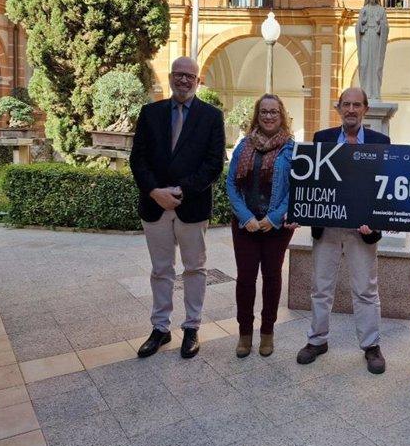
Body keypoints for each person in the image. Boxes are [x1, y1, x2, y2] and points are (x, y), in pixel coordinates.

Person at [129, 57, 225, 359]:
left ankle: (192, 327)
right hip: (155, 204)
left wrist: (181, 190)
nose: (184, 80)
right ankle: (160, 328)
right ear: (171, 78)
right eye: (179, 75)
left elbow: (213, 164)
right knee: (161, 270)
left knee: (195, 269)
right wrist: (156, 191)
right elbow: (138, 159)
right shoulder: (150, 113)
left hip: (191, 205)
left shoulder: (211, 117)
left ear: (198, 81)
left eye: (190, 76)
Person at [296, 87, 390, 374]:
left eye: (356, 105)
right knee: (321, 288)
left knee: (365, 289)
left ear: (365, 109)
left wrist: (374, 219)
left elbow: (384, 185)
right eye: (346, 104)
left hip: (361, 229)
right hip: (328, 226)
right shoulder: (322, 139)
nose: (351, 109)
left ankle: (371, 346)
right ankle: (317, 340)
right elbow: (311, 180)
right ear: (338, 108)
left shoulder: (380, 141)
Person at [226, 94, 297, 358]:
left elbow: (295, 188)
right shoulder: (244, 145)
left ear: (281, 116)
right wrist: (246, 217)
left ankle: (267, 332)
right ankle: (245, 333)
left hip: (275, 227)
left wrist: (274, 218)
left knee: (272, 277)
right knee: (245, 278)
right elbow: (231, 183)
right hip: (246, 225)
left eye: (274, 112)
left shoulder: (291, 148)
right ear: (257, 115)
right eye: (264, 112)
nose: (268, 116)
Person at [355, 0, 389, 101]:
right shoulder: (363, 10)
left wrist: (381, 24)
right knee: (364, 65)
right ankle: (365, 92)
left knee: (375, 66)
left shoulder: (381, 10)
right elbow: (358, 26)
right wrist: (362, 22)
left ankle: (375, 93)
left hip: (376, 38)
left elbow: (385, 27)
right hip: (365, 38)